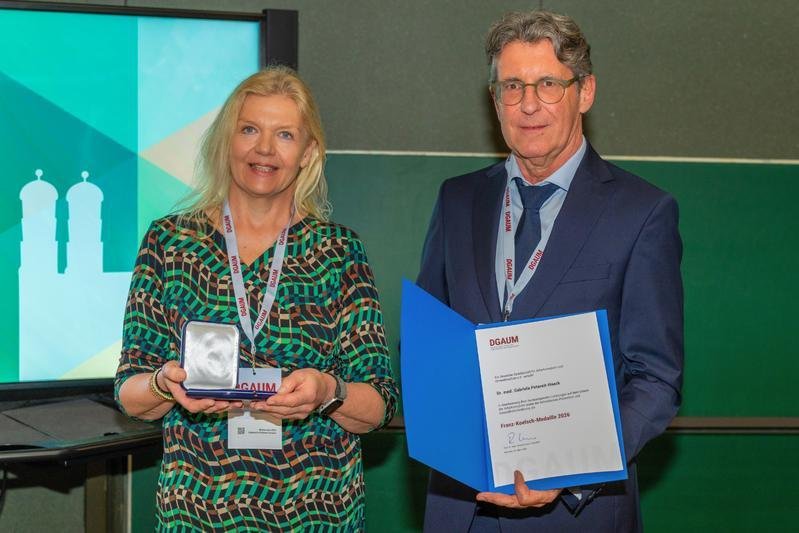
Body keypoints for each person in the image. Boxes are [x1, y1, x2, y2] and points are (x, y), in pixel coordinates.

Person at [416, 10, 683, 532]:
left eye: (548, 84)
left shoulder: (642, 213)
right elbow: (428, 344)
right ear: (495, 100)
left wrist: (571, 470)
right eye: (512, 86)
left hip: (576, 513)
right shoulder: (457, 200)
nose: (529, 104)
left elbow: (656, 379)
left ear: (585, 92)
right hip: (461, 507)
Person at [115, 66, 398, 531]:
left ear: (308, 153)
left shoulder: (339, 252)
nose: (264, 149)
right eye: (249, 129)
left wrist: (328, 391)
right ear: (226, 141)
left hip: (316, 514)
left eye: (284, 135)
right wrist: (165, 384)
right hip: (197, 514)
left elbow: (379, 404)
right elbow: (130, 392)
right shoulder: (169, 243)